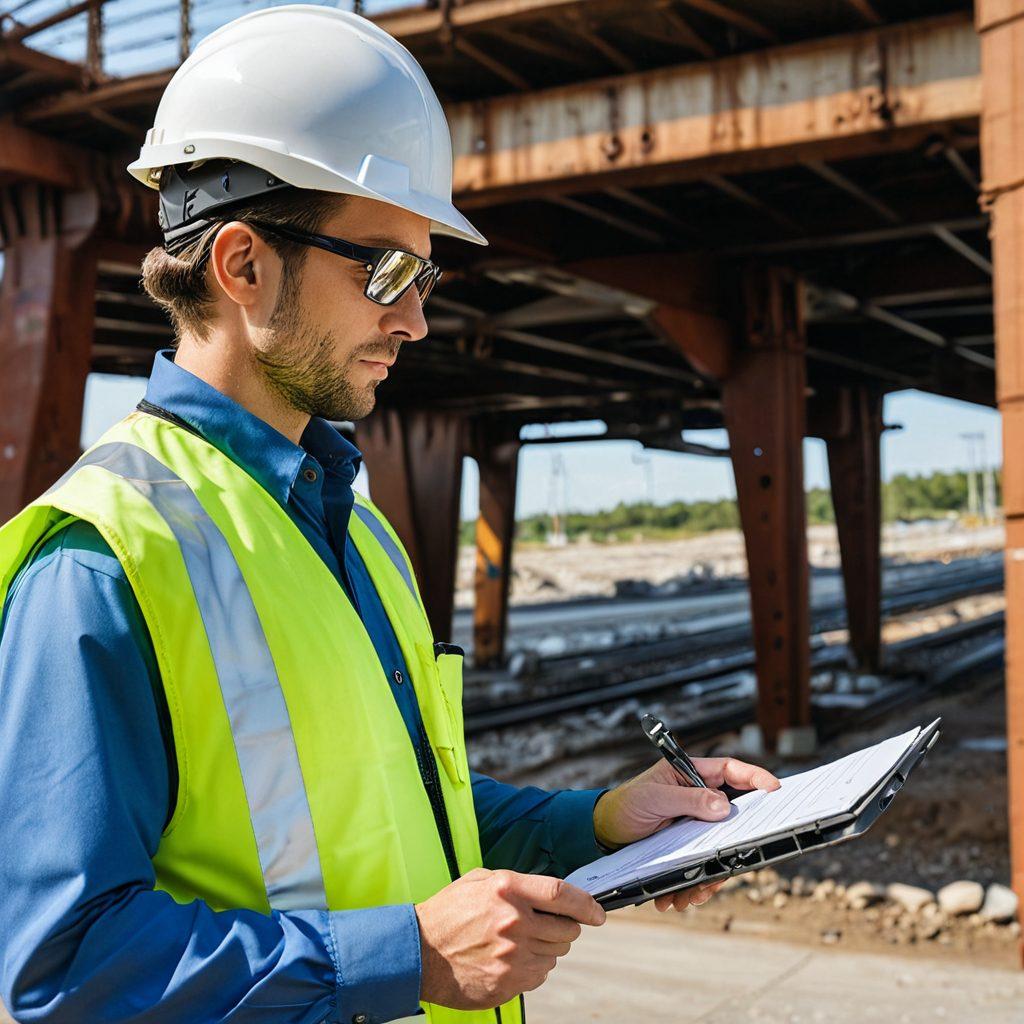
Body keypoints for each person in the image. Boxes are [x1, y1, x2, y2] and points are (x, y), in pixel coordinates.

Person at [0, 8, 780, 1023]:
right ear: (242, 265)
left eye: (426, 275)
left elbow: (407, 802)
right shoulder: (101, 559)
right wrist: (400, 953)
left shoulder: (354, 531)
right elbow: (60, 963)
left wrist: (595, 823)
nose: (414, 318)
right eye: (387, 270)